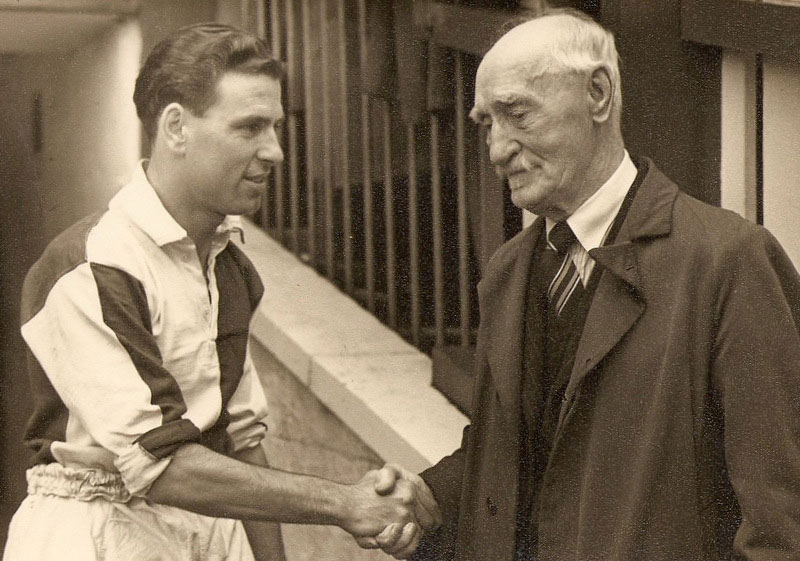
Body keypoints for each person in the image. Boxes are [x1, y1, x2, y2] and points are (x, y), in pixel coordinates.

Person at [3, 22, 439, 561]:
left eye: (276, 127)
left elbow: (240, 440)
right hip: (97, 536)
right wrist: (344, 503)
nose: (275, 151)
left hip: (209, 531)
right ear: (177, 128)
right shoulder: (92, 264)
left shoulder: (228, 263)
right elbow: (157, 465)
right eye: (250, 127)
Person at [375, 8, 800, 561]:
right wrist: (428, 497)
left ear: (598, 93)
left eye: (518, 114)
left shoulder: (726, 262)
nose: (498, 150)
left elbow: (780, 523)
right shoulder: (509, 272)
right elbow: (518, 459)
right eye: (486, 123)